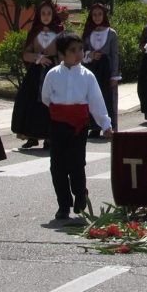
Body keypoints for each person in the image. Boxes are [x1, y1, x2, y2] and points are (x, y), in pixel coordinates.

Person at [41, 32, 112, 219]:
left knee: (76, 164)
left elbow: (96, 101)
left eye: (80, 49)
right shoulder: (52, 75)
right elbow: (46, 98)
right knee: (57, 167)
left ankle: (80, 195)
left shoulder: (87, 76)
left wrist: (105, 124)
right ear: (62, 55)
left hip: (79, 127)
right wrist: (62, 112)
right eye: (73, 50)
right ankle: (63, 204)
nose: (78, 53)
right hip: (57, 126)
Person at [11, 0, 64, 149]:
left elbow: (63, 53)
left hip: (53, 71)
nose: (46, 16)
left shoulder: (60, 32)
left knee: (50, 104)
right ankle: (32, 136)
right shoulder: (34, 32)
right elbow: (25, 54)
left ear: (53, 14)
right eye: (43, 13)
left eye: (48, 13)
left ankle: (49, 137)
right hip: (36, 73)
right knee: (31, 103)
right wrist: (38, 58)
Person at [81, 4, 120, 136]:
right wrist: (90, 54)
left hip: (106, 69)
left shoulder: (111, 33)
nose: (97, 17)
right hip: (92, 68)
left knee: (106, 97)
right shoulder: (88, 33)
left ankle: (108, 126)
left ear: (104, 16)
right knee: (91, 97)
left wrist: (114, 76)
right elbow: (81, 51)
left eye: (100, 14)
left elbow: (115, 55)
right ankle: (94, 127)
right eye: (94, 15)